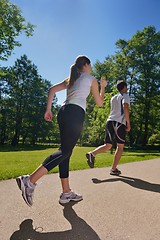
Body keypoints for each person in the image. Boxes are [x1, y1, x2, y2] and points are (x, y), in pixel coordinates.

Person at [16, 55, 107, 207]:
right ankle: (30, 180)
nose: (90, 69)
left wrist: (48, 110)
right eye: (90, 66)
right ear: (86, 65)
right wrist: (103, 86)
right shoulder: (91, 78)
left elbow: (51, 90)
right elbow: (99, 103)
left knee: (65, 151)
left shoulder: (71, 78)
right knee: (65, 151)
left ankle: (66, 192)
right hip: (75, 113)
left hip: (63, 112)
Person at [86, 80, 131, 175]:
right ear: (124, 87)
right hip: (119, 123)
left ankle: (92, 154)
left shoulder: (113, 98)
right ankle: (113, 169)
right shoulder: (125, 96)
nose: (127, 89)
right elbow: (125, 107)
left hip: (110, 121)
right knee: (120, 146)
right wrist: (128, 123)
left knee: (108, 145)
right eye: (126, 87)